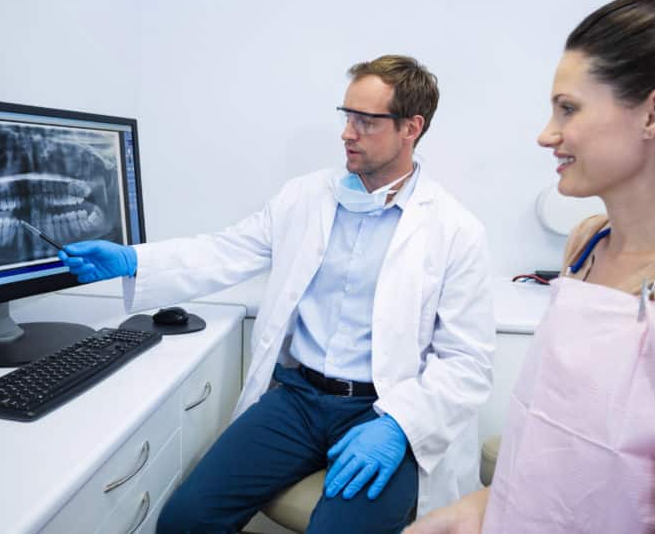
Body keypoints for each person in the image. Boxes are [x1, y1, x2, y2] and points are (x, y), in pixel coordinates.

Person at [406, 0, 655, 534]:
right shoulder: (589, 245)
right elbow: (556, 459)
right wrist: (477, 511)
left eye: (568, 108)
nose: (546, 134)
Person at [59, 55, 495, 533]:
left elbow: (466, 362)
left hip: (386, 411)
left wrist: (397, 425)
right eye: (347, 117)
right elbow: (226, 251)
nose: (348, 133)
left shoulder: (455, 230)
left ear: (412, 127)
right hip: (299, 400)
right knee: (186, 520)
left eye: (366, 121)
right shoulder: (304, 197)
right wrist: (135, 260)